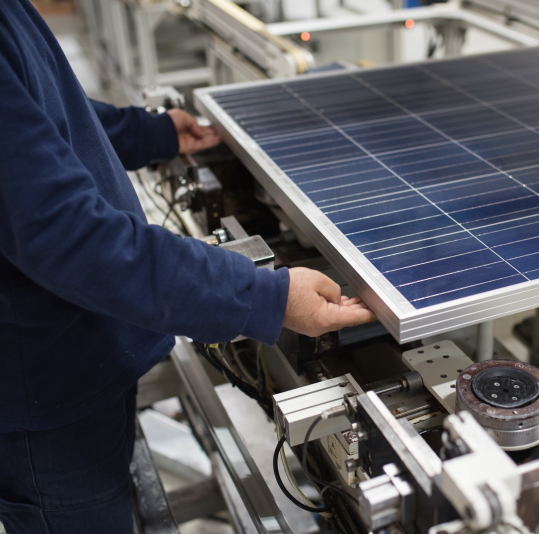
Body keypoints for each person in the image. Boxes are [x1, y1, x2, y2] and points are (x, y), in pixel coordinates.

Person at [0, 1, 376, 532]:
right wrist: (263, 297)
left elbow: (41, 113)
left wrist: (148, 134)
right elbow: (70, 237)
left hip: (77, 350)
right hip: (44, 389)